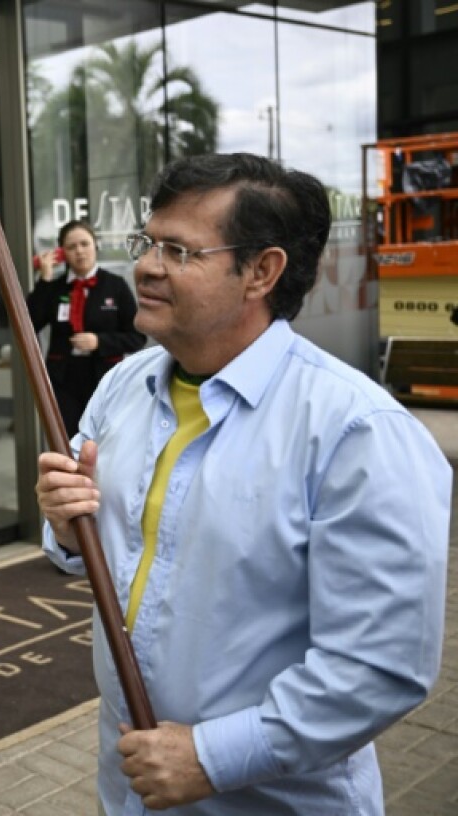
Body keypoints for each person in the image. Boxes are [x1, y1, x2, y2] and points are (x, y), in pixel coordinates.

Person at [37, 153, 450, 814]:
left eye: (179, 250)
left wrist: (210, 756)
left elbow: (379, 666)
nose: (146, 265)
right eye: (148, 241)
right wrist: (63, 528)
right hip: (129, 789)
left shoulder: (356, 433)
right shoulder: (121, 390)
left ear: (262, 271)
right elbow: (82, 545)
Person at [27, 220, 144, 437]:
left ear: (95, 245)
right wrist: (45, 279)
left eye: (85, 244)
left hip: (105, 378)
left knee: (104, 441)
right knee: (67, 442)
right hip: (64, 380)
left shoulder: (115, 285)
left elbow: (137, 337)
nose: (79, 251)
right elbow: (30, 323)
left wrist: (100, 341)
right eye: (71, 247)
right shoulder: (55, 288)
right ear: (62, 252)